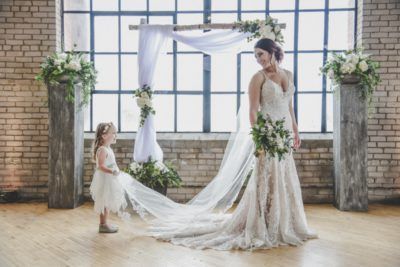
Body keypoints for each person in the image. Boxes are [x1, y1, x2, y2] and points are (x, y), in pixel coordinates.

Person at [145, 38, 318, 250]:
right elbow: (253, 111)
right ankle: (262, 222)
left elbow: (289, 106)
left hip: (284, 136)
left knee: (283, 177)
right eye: (255, 56)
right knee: (266, 178)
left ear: (272, 52)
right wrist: (259, 138)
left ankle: (284, 222)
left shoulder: (288, 75)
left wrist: (296, 130)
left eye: (260, 54)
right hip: (267, 136)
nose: (258, 59)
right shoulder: (257, 78)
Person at [90, 122, 127, 233]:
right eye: (113, 133)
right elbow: (101, 166)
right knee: (104, 201)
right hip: (105, 179)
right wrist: (112, 171)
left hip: (110, 179)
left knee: (108, 201)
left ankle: (105, 223)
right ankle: (103, 224)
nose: (116, 135)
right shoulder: (102, 150)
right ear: (104, 135)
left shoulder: (108, 149)